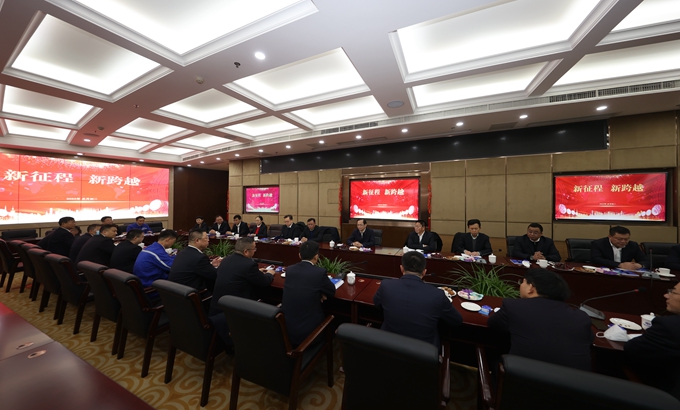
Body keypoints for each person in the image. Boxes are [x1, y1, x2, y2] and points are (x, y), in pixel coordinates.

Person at [487, 269, 593, 371]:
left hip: (521, 379)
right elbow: (589, 340)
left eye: (522, 282)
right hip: (575, 382)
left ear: (531, 288)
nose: (520, 285)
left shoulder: (514, 306)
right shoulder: (581, 317)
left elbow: (493, 323)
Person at [373, 251, 462, 348]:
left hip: (387, 347)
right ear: (424, 272)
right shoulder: (437, 294)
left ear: (401, 268)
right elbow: (456, 321)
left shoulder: (386, 285)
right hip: (422, 352)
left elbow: (377, 304)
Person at [625, 282, 680, 399]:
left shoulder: (669, 326)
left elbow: (632, 349)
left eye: (673, 292)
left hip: (665, 397)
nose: (666, 295)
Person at [282, 241, 336, 346]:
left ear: (299, 255)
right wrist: (320, 293)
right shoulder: (319, 272)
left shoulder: (290, 270)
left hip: (287, 330)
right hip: (309, 335)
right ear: (316, 257)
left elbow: (300, 288)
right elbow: (331, 291)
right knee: (334, 321)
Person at [209, 237, 275, 316]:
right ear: (246, 251)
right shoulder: (249, 265)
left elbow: (238, 272)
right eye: (254, 249)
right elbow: (264, 282)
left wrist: (256, 272)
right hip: (236, 312)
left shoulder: (226, 260)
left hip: (218, 308)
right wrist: (270, 273)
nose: (254, 251)